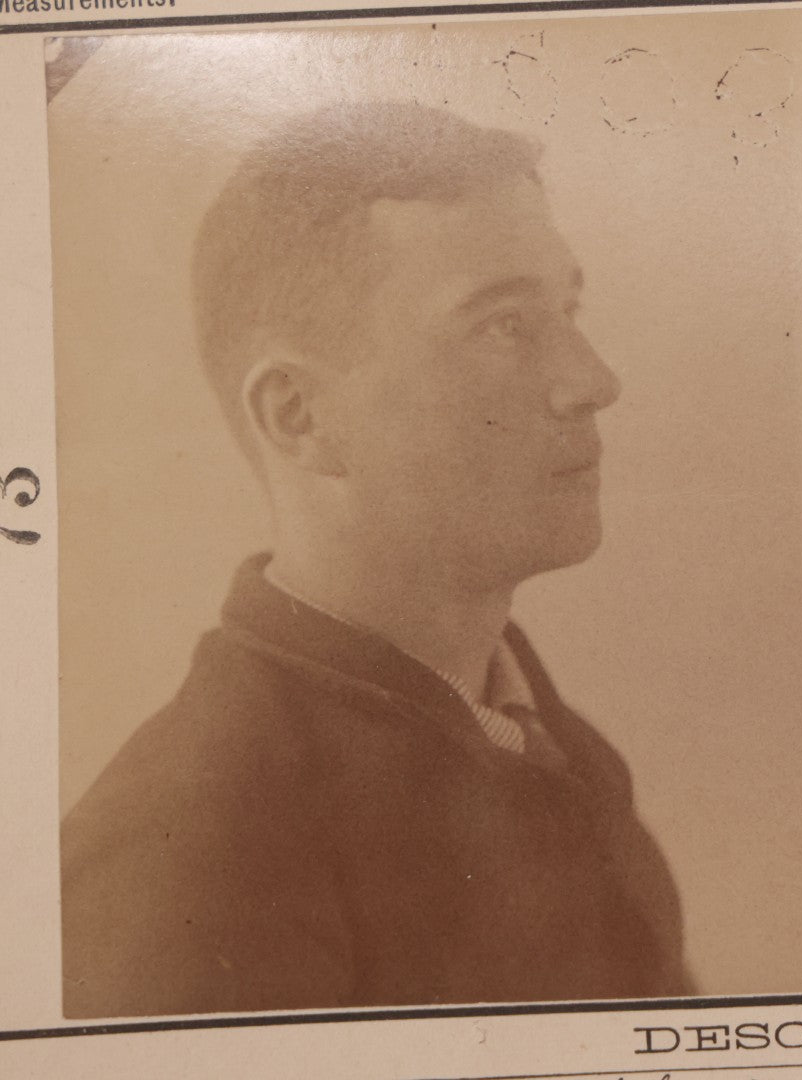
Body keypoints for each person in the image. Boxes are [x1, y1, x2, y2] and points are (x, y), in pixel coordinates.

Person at [60, 102, 690, 1017]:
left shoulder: (553, 746)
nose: (592, 379)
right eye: (504, 326)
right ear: (300, 417)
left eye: (568, 309)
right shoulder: (194, 846)